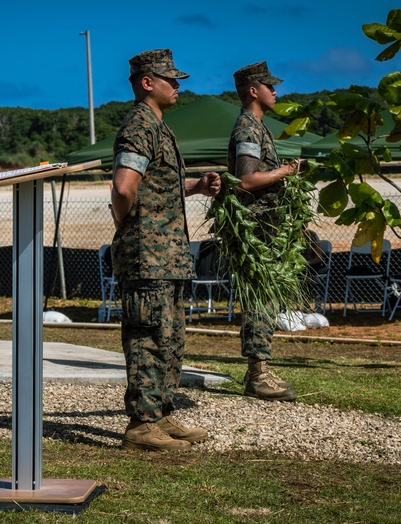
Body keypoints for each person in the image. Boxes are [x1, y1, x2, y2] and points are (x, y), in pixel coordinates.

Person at [110, 49, 221, 451]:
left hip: (167, 256)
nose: (178, 85)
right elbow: (124, 186)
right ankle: (141, 425)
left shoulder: (159, 127)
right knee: (148, 338)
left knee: (170, 338)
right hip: (147, 255)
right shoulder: (139, 125)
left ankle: (160, 415)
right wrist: (129, 227)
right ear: (146, 83)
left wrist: (195, 185)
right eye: (170, 79)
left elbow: (154, 184)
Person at [226, 62, 302, 402]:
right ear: (253, 90)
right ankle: (257, 373)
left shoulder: (258, 127)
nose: (276, 91)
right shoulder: (248, 129)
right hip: (256, 231)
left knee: (265, 299)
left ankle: (261, 368)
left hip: (265, 228)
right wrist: (284, 171)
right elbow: (246, 179)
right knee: (259, 298)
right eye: (269, 86)